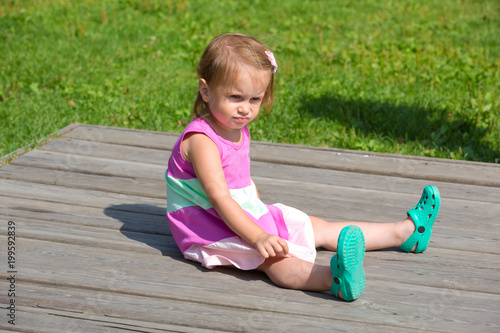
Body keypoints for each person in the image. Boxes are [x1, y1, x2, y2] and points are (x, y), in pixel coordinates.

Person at [165, 33, 441, 301]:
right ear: (206, 90)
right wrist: (258, 234)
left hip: (238, 212)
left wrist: (260, 210)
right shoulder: (202, 140)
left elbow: (239, 181)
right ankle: (332, 278)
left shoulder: (234, 125)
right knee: (273, 259)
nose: (245, 109)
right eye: (235, 97)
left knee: (316, 226)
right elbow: (218, 196)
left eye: (255, 99)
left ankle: (405, 232)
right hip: (206, 227)